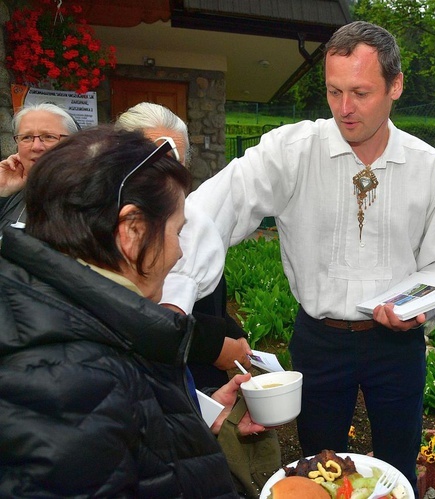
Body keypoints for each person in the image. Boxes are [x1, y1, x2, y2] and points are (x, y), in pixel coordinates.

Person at [160, 21, 435, 492]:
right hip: (319, 340)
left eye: (361, 93)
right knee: (316, 470)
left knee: (400, 467)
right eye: (334, 91)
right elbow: (215, 209)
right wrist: (173, 290)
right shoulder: (291, 151)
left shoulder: (430, 168)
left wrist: (420, 307)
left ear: (396, 86)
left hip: (398, 346)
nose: (345, 109)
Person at [0, 126, 266, 497]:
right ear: (132, 231)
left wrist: (194, 413)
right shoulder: (68, 390)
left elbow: (126, 437)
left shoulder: (80, 324)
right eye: (176, 231)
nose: (179, 252)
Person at [114, 102, 252, 388]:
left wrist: (233, 331)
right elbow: (161, 326)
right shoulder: (105, 229)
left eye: (175, 163)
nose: (166, 176)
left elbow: (207, 303)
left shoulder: (192, 221)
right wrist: (216, 347)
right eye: (152, 162)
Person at [0, 102, 79, 231]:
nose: (36, 146)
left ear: (73, 144)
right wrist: (2, 191)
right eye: (27, 137)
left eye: (49, 137)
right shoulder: (14, 191)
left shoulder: (90, 195)